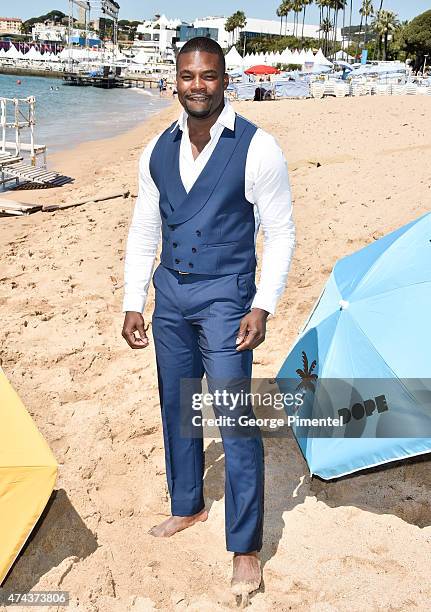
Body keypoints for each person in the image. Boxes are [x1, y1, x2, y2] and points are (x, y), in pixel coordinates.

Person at [122, 36, 295, 602]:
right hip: (169, 295)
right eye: (189, 75)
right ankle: (188, 505)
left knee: (231, 414)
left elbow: (281, 233)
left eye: (209, 75)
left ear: (226, 79)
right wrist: (133, 300)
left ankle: (246, 547)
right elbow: (145, 227)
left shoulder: (258, 148)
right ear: (176, 78)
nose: (198, 85)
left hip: (228, 300)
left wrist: (262, 305)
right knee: (177, 405)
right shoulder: (156, 148)